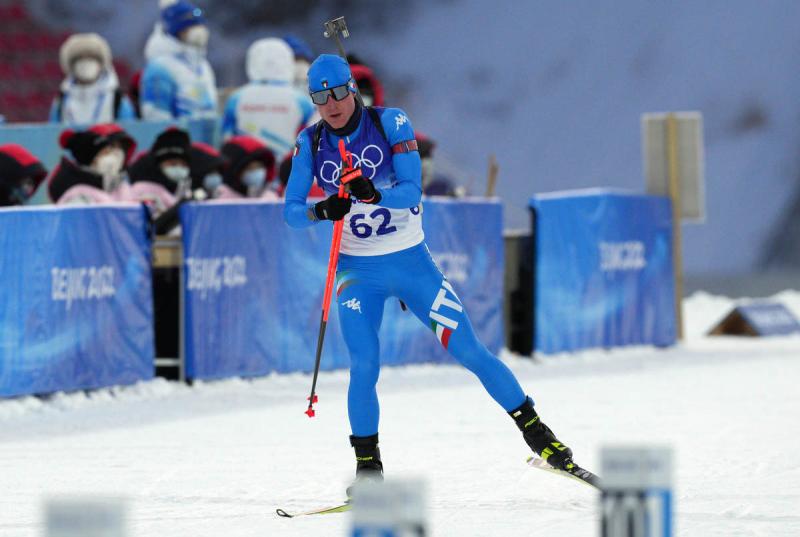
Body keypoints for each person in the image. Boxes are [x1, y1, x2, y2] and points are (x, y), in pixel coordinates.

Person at [283, 54, 579, 495]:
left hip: (412, 266)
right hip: (357, 273)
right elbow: (291, 213)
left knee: (470, 351)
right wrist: (323, 210)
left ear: (353, 90)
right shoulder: (310, 142)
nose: (331, 105)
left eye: (338, 93)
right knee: (364, 366)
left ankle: (540, 436)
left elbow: (410, 192)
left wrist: (373, 193)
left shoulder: (390, 123)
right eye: (320, 98)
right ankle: (368, 469)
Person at [221, 38, 315, 159]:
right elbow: (311, 140)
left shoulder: (237, 98)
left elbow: (227, 138)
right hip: (288, 164)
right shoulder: (302, 101)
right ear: (287, 62)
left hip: (248, 164)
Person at [139, 0, 217, 120]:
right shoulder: (160, 68)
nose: (199, 31)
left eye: (199, 25)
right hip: (180, 132)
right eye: (191, 27)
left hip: (204, 132)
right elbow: (156, 118)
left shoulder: (202, 65)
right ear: (177, 30)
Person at [50, 33, 136, 124]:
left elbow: (129, 129)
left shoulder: (117, 99)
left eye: (91, 58)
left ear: (101, 63)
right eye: (79, 58)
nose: (85, 63)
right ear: (71, 65)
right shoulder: (61, 101)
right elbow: (53, 130)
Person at [48, 124, 136, 204]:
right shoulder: (78, 196)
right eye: (110, 149)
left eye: (121, 148)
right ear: (91, 156)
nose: (117, 154)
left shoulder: (122, 188)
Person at [128, 127, 193, 218]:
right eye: (172, 164)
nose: (178, 168)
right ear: (159, 164)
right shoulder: (141, 189)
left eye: (183, 165)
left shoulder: (184, 188)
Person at [216, 135, 277, 199]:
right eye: (251, 168)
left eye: (261, 167)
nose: (258, 172)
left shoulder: (270, 200)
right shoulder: (219, 200)